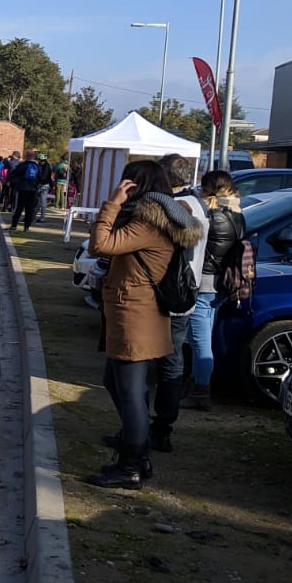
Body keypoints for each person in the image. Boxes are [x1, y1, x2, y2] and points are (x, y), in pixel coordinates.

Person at [86, 160, 205, 488]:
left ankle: (131, 465)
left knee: (130, 392)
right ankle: (136, 450)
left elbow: (100, 245)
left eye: (126, 181)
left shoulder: (149, 221)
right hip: (135, 309)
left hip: (136, 313)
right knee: (117, 382)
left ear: (136, 185)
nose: (122, 186)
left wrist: (112, 204)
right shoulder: (157, 216)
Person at [150, 153, 208, 446]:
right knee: (171, 363)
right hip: (187, 292)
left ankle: (156, 427)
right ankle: (162, 426)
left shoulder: (177, 207)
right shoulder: (198, 204)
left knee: (158, 364)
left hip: (169, 293)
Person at [185, 170, 245, 412]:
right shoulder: (237, 214)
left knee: (200, 343)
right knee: (205, 338)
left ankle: (200, 391)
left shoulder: (210, 215)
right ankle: (197, 385)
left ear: (208, 190)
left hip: (204, 283)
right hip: (223, 284)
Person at [9, 148, 43, 231]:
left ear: (26, 156)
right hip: (32, 190)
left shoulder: (22, 165)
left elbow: (13, 174)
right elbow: (41, 178)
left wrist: (15, 182)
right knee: (29, 209)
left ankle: (14, 225)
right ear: (34, 157)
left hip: (22, 188)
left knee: (19, 208)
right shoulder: (37, 167)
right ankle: (26, 227)